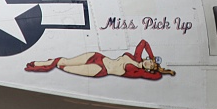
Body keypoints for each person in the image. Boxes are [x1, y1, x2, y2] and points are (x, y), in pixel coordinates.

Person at [25, 39, 176, 80]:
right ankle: (41, 63)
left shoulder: (137, 71)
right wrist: (151, 55)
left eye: (150, 64)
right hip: (98, 57)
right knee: (66, 60)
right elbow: (143, 42)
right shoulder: (136, 58)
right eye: (150, 61)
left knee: (64, 67)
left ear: (147, 69)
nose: (149, 62)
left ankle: (41, 64)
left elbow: (155, 76)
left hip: (101, 70)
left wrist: (164, 71)